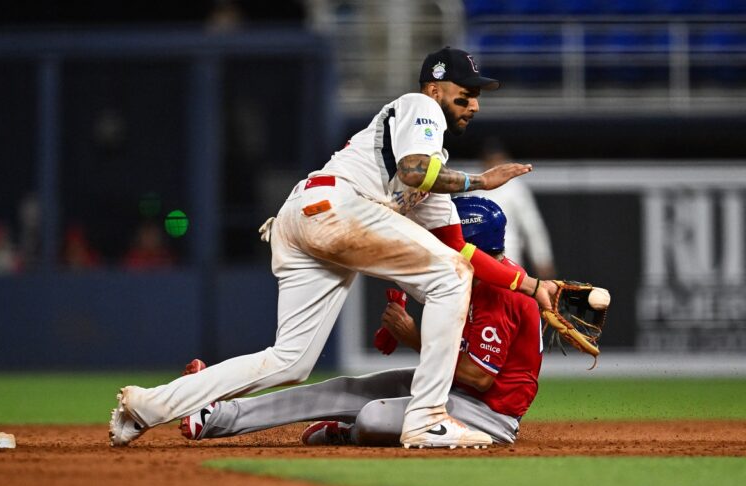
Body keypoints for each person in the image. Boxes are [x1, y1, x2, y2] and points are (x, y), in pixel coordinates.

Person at [110, 46, 554, 449]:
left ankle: (147, 406)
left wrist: (532, 287)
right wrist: (482, 181)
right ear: (435, 88)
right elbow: (416, 171)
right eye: (465, 92)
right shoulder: (421, 107)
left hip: (306, 219)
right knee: (449, 279)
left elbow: (460, 254)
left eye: (478, 95)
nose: (474, 103)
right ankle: (427, 416)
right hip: (333, 207)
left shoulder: (437, 180)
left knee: (291, 361)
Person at [178, 196, 542, 446]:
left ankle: (347, 433)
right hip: (449, 389)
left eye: (450, 237)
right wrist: (400, 304)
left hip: (485, 414)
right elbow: (406, 276)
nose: (440, 243)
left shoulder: (501, 292)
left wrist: (415, 337)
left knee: (371, 418)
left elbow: (479, 377)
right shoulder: (466, 277)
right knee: (342, 388)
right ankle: (216, 416)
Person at [467, 139, 556, 279]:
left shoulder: (515, 188)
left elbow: (532, 226)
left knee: (509, 297)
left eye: (498, 160)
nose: (494, 164)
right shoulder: (472, 186)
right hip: (477, 260)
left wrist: (542, 258)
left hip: (509, 257)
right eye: (490, 160)